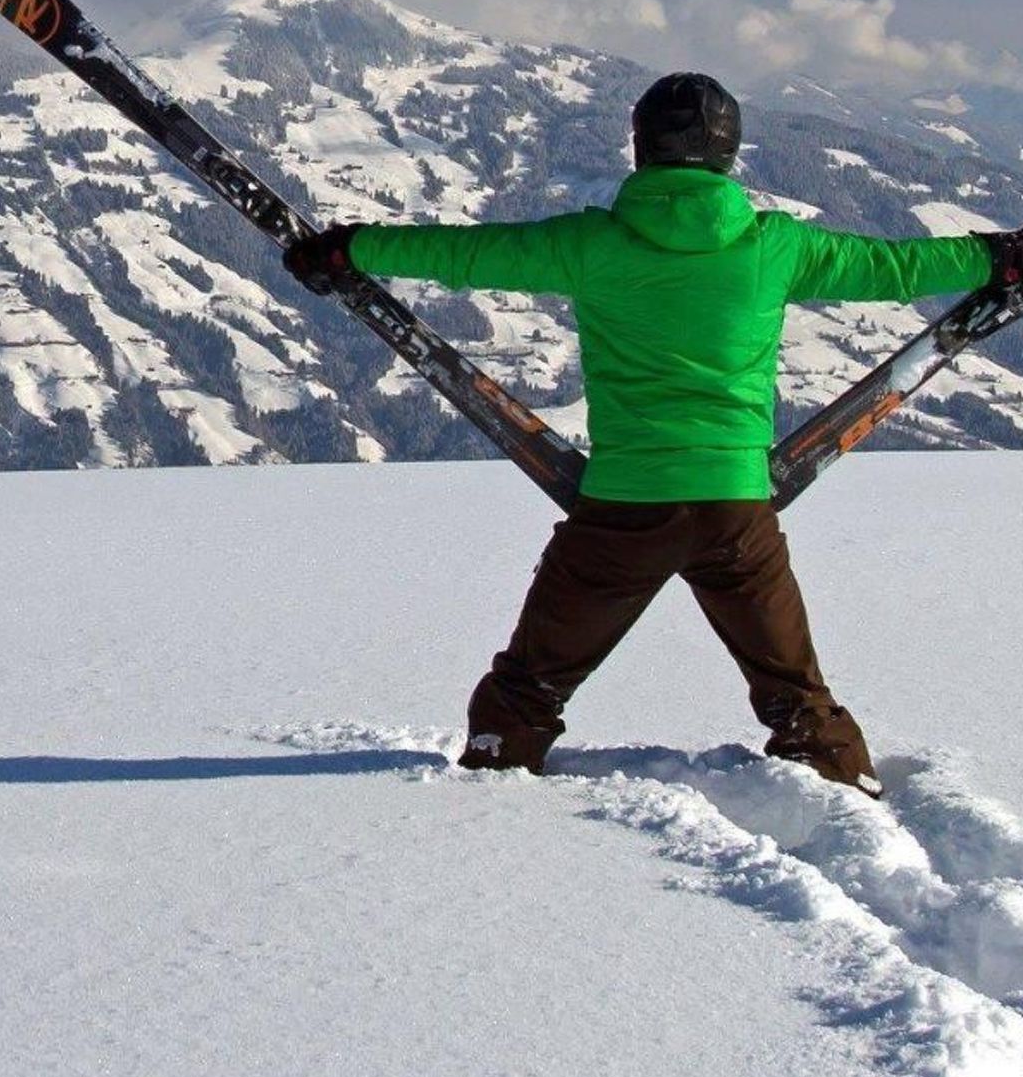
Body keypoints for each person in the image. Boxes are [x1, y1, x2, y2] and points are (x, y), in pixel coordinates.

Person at [283, 73, 1020, 795]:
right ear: (730, 153)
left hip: (622, 510)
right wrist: (999, 257)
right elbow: (898, 268)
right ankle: (843, 783)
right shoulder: (775, 247)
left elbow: (465, 253)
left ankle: (491, 790)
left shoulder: (590, 244)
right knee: (796, 694)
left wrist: (352, 248)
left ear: (641, 148)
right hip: (736, 509)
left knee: (530, 684)